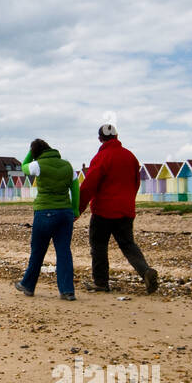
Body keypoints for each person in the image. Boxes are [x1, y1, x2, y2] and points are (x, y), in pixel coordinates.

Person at [78, 124, 158, 294]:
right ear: (116, 136)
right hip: (125, 210)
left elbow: (88, 186)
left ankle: (101, 283)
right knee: (128, 245)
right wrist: (128, 201)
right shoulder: (130, 157)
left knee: (99, 246)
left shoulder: (101, 157)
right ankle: (145, 271)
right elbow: (136, 182)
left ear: (100, 139)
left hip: (103, 211)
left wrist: (77, 209)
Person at [14, 139, 79, 300]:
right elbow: (75, 188)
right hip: (65, 213)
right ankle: (67, 291)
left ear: (36, 152)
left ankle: (28, 285)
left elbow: (23, 167)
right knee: (64, 251)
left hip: (45, 212)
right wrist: (75, 209)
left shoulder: (38, 165)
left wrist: (31, 152)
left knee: (38, 251)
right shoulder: (67, 166)